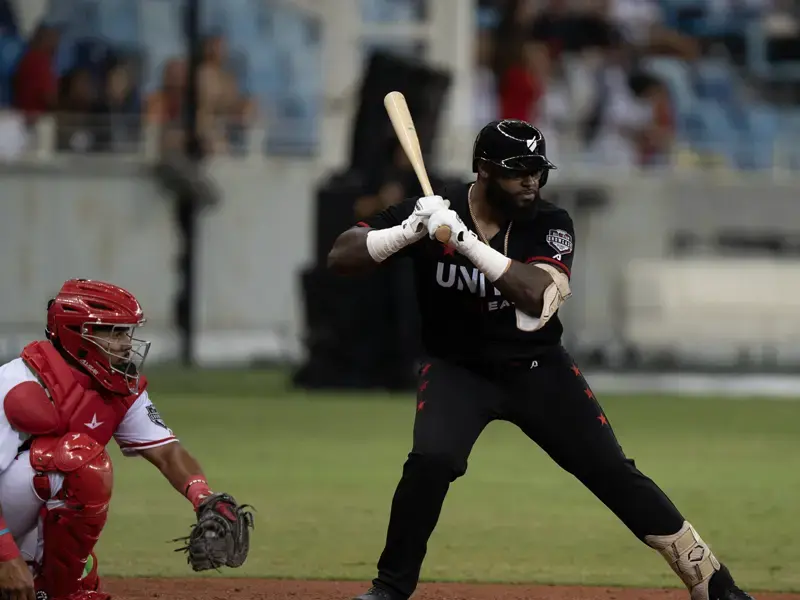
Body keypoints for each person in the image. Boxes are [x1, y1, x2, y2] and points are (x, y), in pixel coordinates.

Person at [327, 120, 755, 600]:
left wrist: (464, 241)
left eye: (537, 169)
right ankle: (389, 589)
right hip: (457, 370)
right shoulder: (429, 211)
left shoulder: (550, 223)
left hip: (537, 369)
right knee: (431, 461)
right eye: (518, 170)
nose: (531, 180)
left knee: (612, 472)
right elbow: (341, 256)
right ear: (483, 171)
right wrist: (405, 233)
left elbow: (537, 297)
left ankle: (714, 584)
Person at [0, 279, 252, 600]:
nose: (125, 343)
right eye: (115, 332)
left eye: (126, 332)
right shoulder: (18, 382)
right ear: (80, 334)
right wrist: (6, 557)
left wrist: (203, 497)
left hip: (18, 514)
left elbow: (166, 451)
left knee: (79, 539)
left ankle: (55, 587)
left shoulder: (119, 386)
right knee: (81, 462)